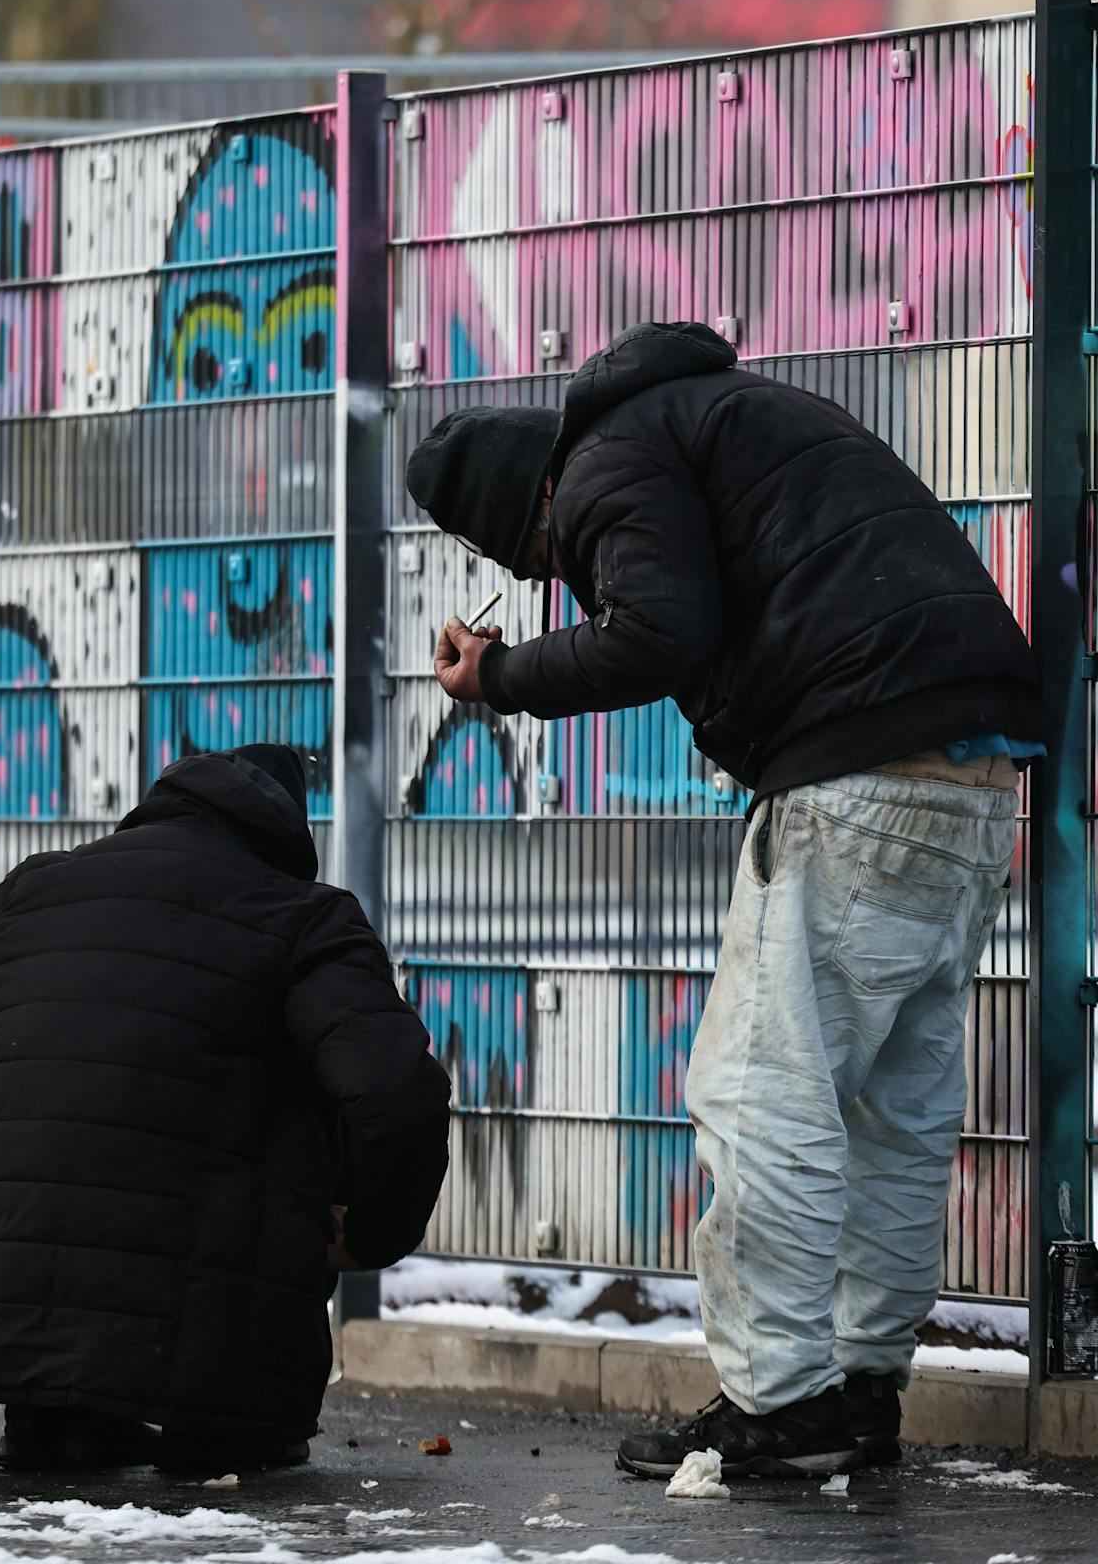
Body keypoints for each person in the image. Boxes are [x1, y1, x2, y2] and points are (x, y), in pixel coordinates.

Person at [406, 320, 1042, 1482]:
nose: (561, 575)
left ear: (522, 510)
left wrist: (498, 675)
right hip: (974, 764)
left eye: (545, 558)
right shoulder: (720, 414)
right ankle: (858, 1387)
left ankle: (782, 1401)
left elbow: (656, 631)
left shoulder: (604, 460)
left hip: (858, 763)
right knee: (891, 1105)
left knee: (761, 1091)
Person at [0, 744, 451, 1474]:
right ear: (287, 834)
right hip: (223, 1318)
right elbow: (396, 1091)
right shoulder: (302, 917)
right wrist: (372, 1235)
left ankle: (54, 1418)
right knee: (283, 1097)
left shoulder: (40, 889)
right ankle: (224, 1420)